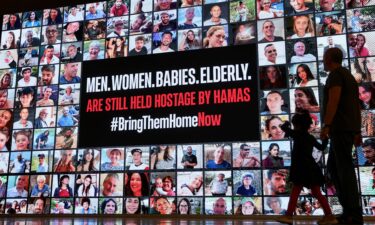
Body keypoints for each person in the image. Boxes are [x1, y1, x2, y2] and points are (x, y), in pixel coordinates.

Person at [321, 47, 363, 224]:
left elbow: (334, 101)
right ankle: (346, 210)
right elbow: (355, 106)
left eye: (324, 57)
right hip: (347, 129)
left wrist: (327, 125)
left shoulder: (336, 75)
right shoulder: (348, 76)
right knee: (335, 169)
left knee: (344, 171)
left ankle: (352, 213)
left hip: (339, 129)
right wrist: (357, 130)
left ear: (330, 58)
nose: (323, 60)